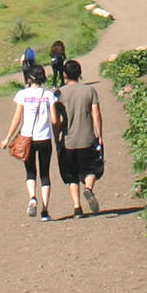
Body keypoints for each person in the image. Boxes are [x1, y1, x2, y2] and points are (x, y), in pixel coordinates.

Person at [3, 63, 61, 219]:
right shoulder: (49, 95)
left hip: (27, 138)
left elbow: (17, 118)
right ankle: (45, 211)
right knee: (45, 175)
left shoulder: (22, 94)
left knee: (30, 172)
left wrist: (8, 137)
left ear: (29, 78)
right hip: (44, 138)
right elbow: (55, 120)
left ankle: (32, 197)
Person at [56, 58, 104, 216]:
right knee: (92, 169)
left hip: (69, 140)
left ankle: (77, 208)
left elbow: (56, 120)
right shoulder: (90, 91)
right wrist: (99, 135)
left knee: (72, 176)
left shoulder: (59, 93)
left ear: (64, 75)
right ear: (79, 73)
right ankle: (89, 189)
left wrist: (57, 138)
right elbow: (96, 114)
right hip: (87, 138)